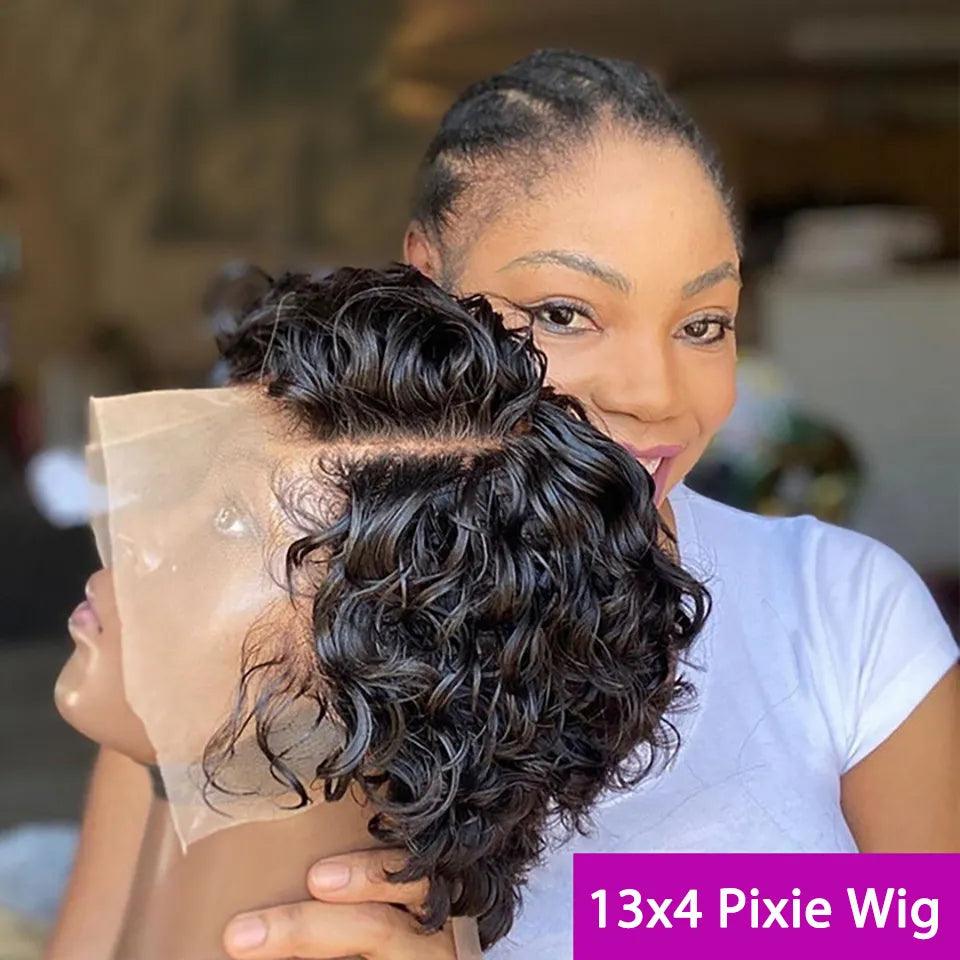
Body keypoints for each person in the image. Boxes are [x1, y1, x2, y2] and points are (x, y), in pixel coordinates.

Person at [45, 50, 960, 960]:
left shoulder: (841, 607)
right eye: (564, 312)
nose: (653, 392)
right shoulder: (258, 638)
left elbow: (924, 924)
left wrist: (606, 916)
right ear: (427, 278)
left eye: (702, 324)